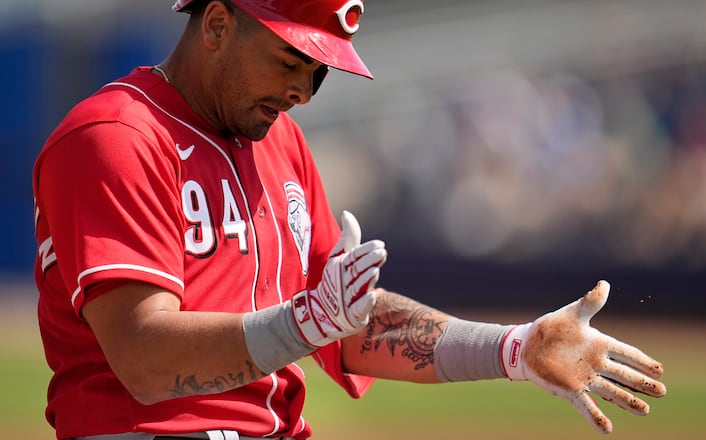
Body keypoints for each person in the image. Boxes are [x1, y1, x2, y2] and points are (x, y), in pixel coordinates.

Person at [32, 1, 666, 439]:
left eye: (318, 71)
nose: (303, 91)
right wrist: (306, 322)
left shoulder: (278, 144)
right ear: (218, 24)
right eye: (289, 61)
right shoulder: (116, 136)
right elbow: (143, 360)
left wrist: (511, 348)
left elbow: (343, 326)